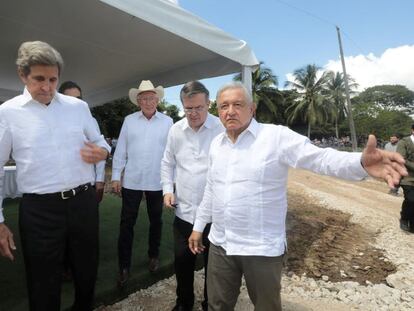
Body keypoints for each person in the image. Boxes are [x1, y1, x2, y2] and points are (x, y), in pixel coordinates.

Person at [188, 82, 406, 311]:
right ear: (218, 111)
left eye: (237, 104)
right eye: (224, 106)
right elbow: (212, 188)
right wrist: (199, 226)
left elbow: (319, 159)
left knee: (267, 307)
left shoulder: (275, 137)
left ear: (251, 109)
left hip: (261, 248)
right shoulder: (216, 145)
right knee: (217, 306)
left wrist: (359, 163)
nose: (230, 111)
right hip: (221, 243)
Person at [0, 41, 110, 311]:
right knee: (42, 282)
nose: (47, 87)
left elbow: (102, 142)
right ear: (22, 75)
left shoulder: (77, 107)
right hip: (40, 211)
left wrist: (102, 152)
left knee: (86, 273)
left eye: (52, 79)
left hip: (82, 203)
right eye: (39, 79)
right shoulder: (8, 112)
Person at [161, 81, 223, 311]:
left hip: (215, 216)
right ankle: (184, 303)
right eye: (188, 109)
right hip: (184, 213)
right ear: (182, 106)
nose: (194, 113)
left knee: (213, 268)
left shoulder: (221, 128)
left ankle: (210, 304)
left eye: (199, 107)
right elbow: (167, 163)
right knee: (182, 263)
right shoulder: (176, 130)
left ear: (209, 104)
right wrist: (168, 189)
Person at [112, 80, 173, 286]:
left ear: (157, 99)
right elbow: (121, 149)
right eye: (144, 98)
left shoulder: (167, 122)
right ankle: (123, 266)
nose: (148, 101)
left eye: (151, 98)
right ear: (138, 101)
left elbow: (171, 153)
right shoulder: (129, 120)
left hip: (157, 181)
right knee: (126, 224)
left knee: (156, 221)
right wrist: (115, 176)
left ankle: (153, 255)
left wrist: (170, 183)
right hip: (132, 180)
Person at [58, 81, 107, 282]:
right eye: (69, 98)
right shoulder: (52, 120)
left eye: (78, 98)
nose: (74, 102)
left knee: (84, 235)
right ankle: (65, 265)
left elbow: (100, 147)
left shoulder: (89, 120)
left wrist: (100, 181)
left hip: (84, 189)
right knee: (61, 234)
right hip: (57, 191)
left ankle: (80, 269)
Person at [396, 125, 414, 233]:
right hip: (407, 177)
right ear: (412, 130)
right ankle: (404, 218)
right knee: (411, 200)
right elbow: (401, 158)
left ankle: (412, 224)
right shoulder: (404, 142)